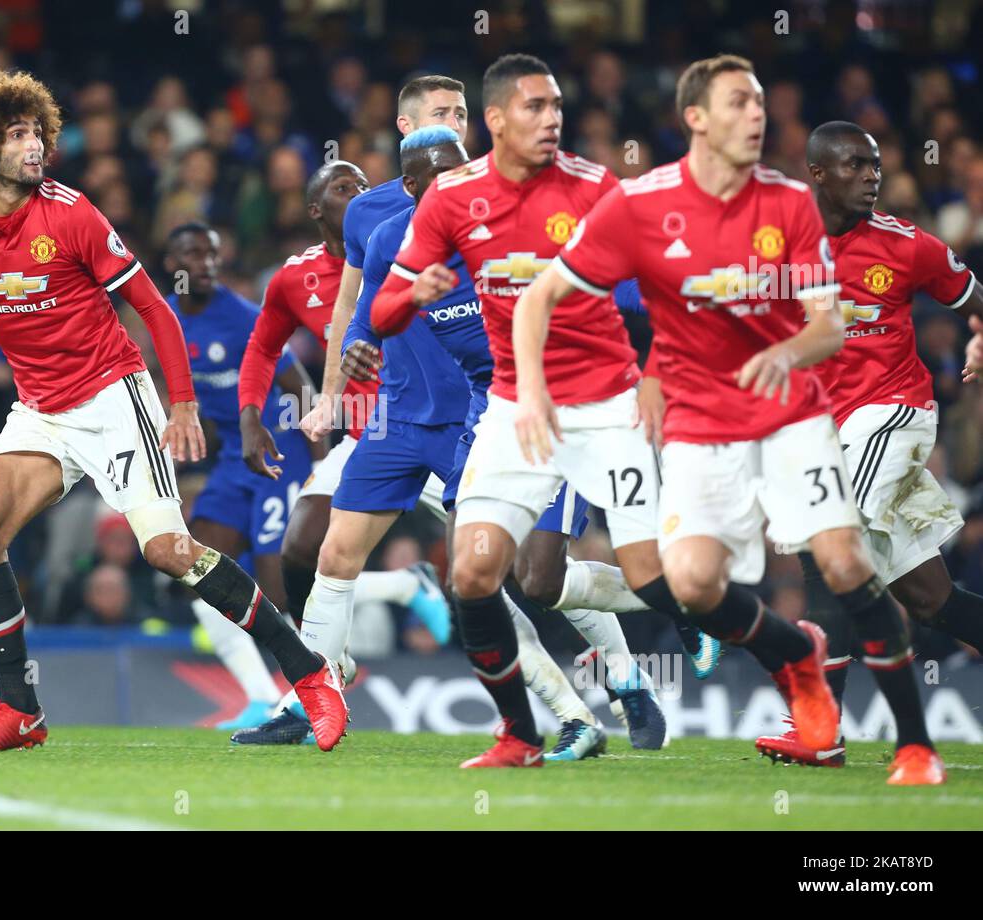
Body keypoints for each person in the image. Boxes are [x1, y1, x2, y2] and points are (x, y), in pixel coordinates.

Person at [0, 71, 347, 752]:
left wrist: (181, 404)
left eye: (38, 130)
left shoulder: (71, 212)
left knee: (169, 552)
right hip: (40, 411)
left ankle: (310, 679)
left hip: (112, 397)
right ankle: (20, 712)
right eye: (16, 135)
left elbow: (154, 306)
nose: (34, 144)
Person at [513, 56, 941, 785]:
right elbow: (538, 299)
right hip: (700, 428)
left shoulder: (789, 206)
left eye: (761, 104)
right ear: (697, 118)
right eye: (739, 103)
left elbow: (829, 328)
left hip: (792, 416)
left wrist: (788, 352)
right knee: (696, 584)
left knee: (844, 560)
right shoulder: (639, 206)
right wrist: (534, 390)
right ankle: (794, 654)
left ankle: (914, 745)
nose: (756, 116)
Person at [370, 55, 701, 767]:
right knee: (516, 579)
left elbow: (640, 293)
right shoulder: (399, 231)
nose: (446, 172)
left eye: (460, 125)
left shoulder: (537, 222)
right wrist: (352, 377)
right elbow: (371, 312)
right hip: (468, 425)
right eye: (438, 124)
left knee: (544, 576)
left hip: (566, 410)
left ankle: (646, 655)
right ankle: (575, 704)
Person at [755, 122, 983, 767]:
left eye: (875, 166)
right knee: (929, 597)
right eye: (855, 166)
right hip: (829, 432)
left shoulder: (905, 245)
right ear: (818, 174)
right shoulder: (779, 246)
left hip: (892, 414)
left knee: (828, 537)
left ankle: (819, 730)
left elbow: (974, 298)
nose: (871, 177)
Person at [232, 159, 450, 745]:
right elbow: (261, 350)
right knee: (300, 546)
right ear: (314, 210)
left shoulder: (411, 243)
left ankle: (620, 675)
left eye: (362, 184)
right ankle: (323, 675)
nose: (357, 193)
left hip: (441, 424)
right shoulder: (293, 278)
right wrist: (252, 419)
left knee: (522, 569)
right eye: (341, 187)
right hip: (371, 437)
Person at [164, 221, 320, 730]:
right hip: (234, 454)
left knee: (279, 588)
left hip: (279, 448)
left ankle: (406, 589)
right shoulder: (165, 316)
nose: (205, 263)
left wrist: (320, 462)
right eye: (193, 253)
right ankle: (257, 697)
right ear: (173, 264)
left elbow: (296, 382)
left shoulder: (243, 317)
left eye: (212, 254)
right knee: (201, 567)